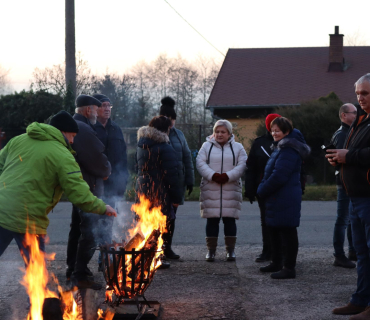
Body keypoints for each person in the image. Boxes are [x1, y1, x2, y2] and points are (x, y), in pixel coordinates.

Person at [0, 111, 117, 265]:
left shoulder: (18, 140)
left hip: (2, 210)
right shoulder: (63, 155)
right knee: (37, 274)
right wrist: (102, 207)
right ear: (63, 132)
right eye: (73, 136)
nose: (73, 141)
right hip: (29, 218)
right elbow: (79, 193)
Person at [328, 74, 370, 319]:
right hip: (355, 196)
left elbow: (357, 154)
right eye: (357, 94)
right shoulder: (361, 120)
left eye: (365, 93)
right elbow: (355, 152)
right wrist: (339, 157)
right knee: (362, 253)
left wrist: (349, 156)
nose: (360, 98)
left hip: (367, 197)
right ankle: (361, 300)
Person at [66, 94, 112, 290]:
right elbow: (97, 159)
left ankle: (73, 269)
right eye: (96, 108)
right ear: (87, 110)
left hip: (79, 186)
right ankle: (80, 274)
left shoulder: (77, 126)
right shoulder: (83, 128)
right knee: (90, 232)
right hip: (88, 187)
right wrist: (107, 170)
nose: (97, 112)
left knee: (77, 229)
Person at [257, 117, 310, 279]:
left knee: (287, 231)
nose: (274, 133)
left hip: (285, 196)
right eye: (272, 130)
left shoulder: (289, 149)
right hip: (277, 196)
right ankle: (277, 262)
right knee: (273, 228)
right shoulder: (281, 147)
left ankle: (289, 267)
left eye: (277, 130)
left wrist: (262, 190)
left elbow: (279, 175)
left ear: (286, 132)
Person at [196, 119, 247, 262]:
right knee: (212, 221)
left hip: (231, 189)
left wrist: (228, 176)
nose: (219, 134)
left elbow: (242, 165)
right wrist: (213, 175)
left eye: (223, 132)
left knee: (230, 221)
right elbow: (200, 163)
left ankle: (230, 251)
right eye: (217, 131)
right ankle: (211, 251)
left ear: (229, 133)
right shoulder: (206, 146)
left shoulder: (238, 147)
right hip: (210, 188)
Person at [135, 116, 182, 265]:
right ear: (165, 129)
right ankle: (153, 259)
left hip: (142, 189)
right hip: (159, 191)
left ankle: (143, 257)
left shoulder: (142, 145)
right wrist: (176, 198)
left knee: (145, 224)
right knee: (158, 225)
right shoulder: (164, 147)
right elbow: (172, 175)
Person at [93, 93, 129, 271]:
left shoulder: (116, 129)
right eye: (103, 106)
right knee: (89, 226)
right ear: (95, 109)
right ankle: (77, 266)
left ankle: (104, 259)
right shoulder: (90, 128)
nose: (107, 109)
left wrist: (123, 180)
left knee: (107, 223)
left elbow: (122, 156)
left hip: (113, 184)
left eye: (109, 106)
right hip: (95, 185)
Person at [159, 97, 195, 260]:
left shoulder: (179, 135)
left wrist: (189, 179)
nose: (171, 122)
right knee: (158, 217)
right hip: (159, 184)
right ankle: (156, 248)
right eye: (168, 119)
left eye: (173, 119)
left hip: (176, 183)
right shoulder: (154, 134)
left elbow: (187, 157)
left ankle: (167, 248)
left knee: (171, 217)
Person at [245, 113, 281, 263]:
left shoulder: (287, 142)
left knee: (282, 221)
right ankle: (267, 251)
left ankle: (282, 252)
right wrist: (250, 190)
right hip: (263, 188)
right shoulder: (258, 143)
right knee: (266, 221)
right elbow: (251, 168)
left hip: (281, 189)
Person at [330, 103, 357, 269]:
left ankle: (352, 250)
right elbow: (338, 159)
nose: (356, 115)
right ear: (344, 116)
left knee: (351, 219)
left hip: (350, 181)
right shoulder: (342, 135)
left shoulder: (349, 132)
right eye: (353, 112)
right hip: (345, 182)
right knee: (343, 219)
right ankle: (339, 255)